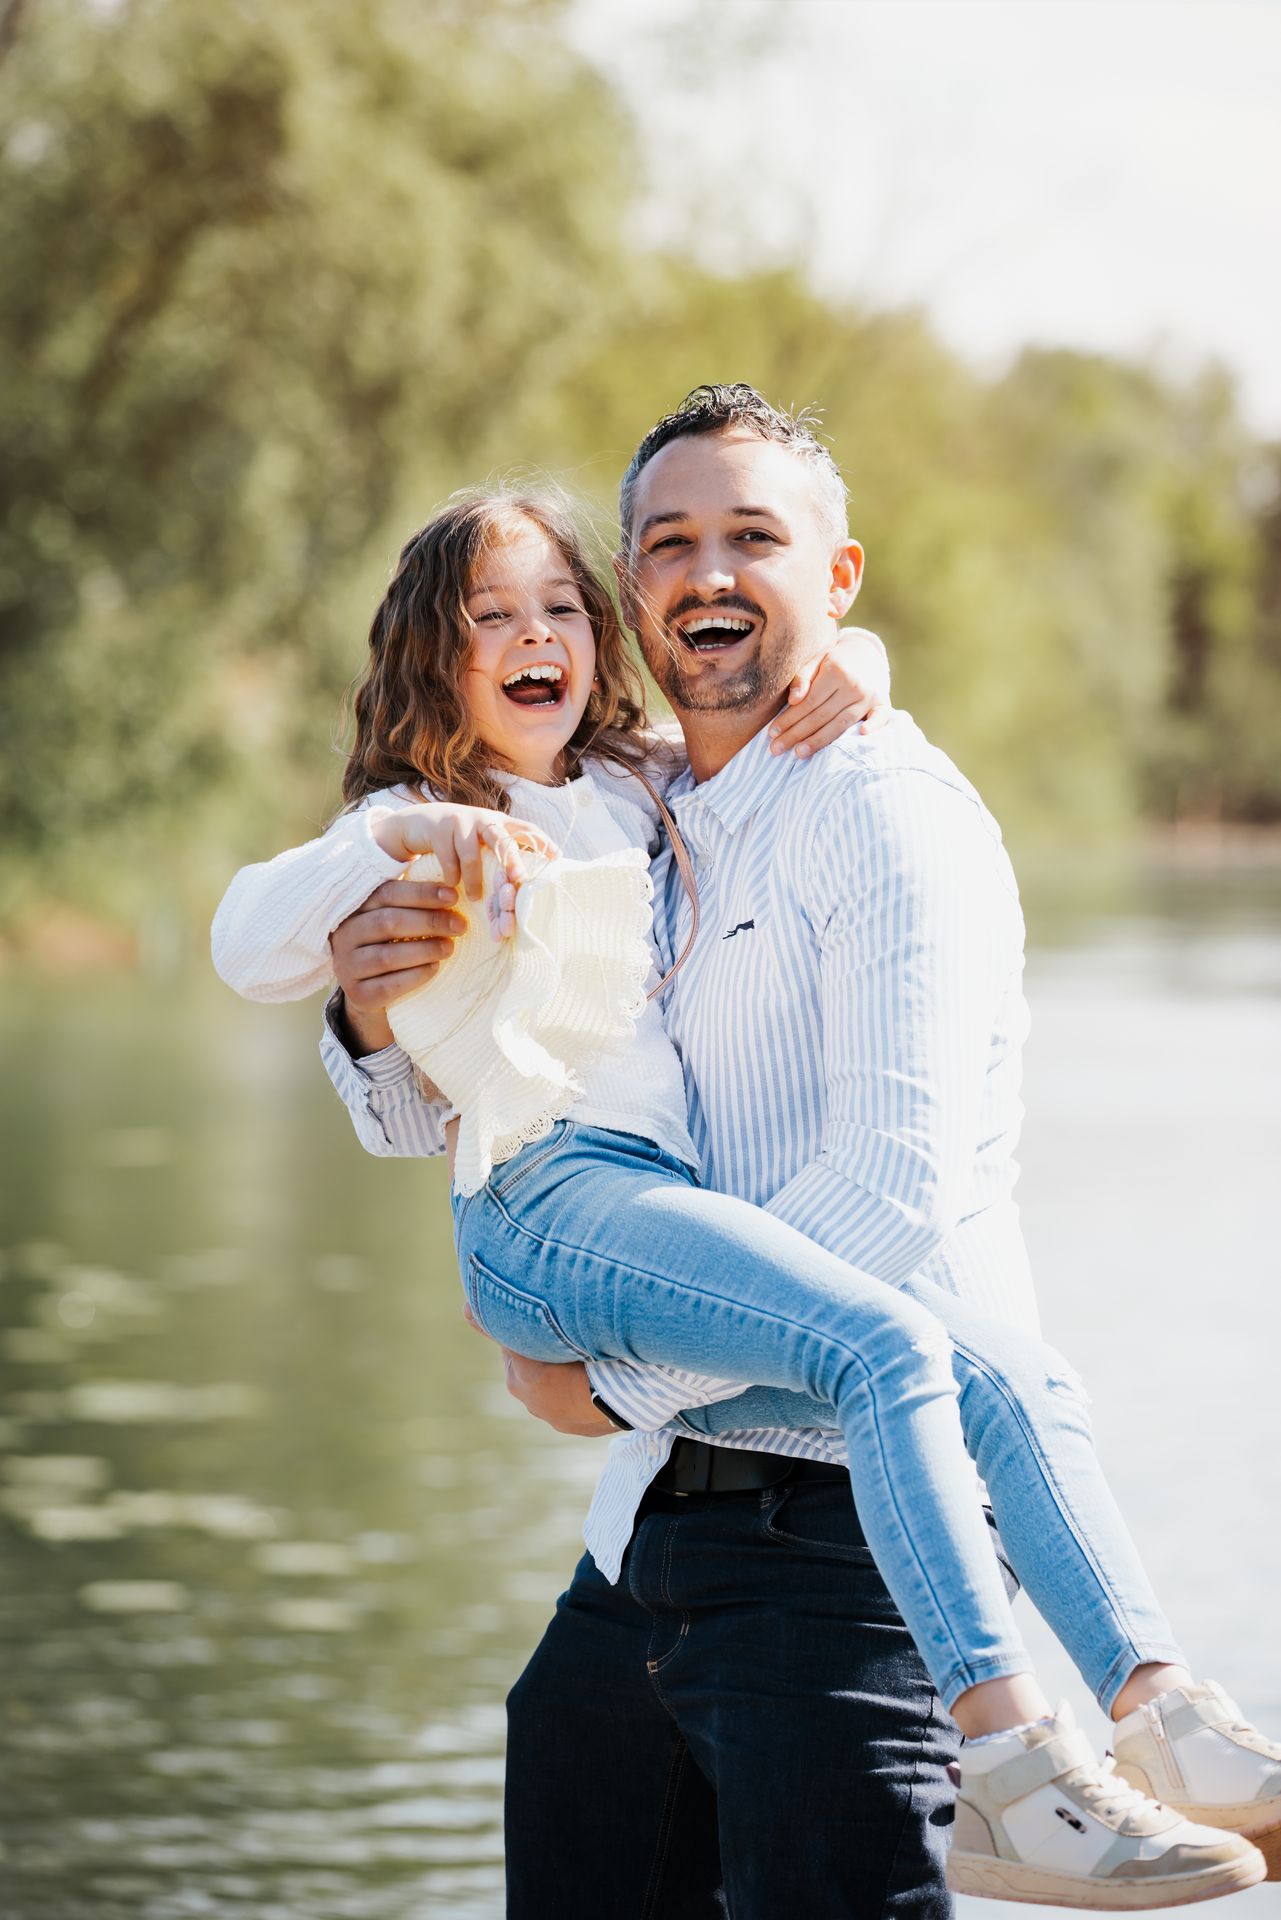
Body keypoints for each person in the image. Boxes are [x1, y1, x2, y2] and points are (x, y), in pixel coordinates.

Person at [213, 394, 1281, 1915]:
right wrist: (377, 979)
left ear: (832, 575)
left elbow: (892, 1192)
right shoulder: (547, 806)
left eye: (752, 540)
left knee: (1004, 1375)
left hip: (833, 1536)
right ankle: (1048, 1749)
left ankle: (1140, 1720)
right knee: (904, 1358)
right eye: (667, 546)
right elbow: (392, 1090)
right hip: (626, 1453)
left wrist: (617, 1387)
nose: (703, 575)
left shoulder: (807, 802)